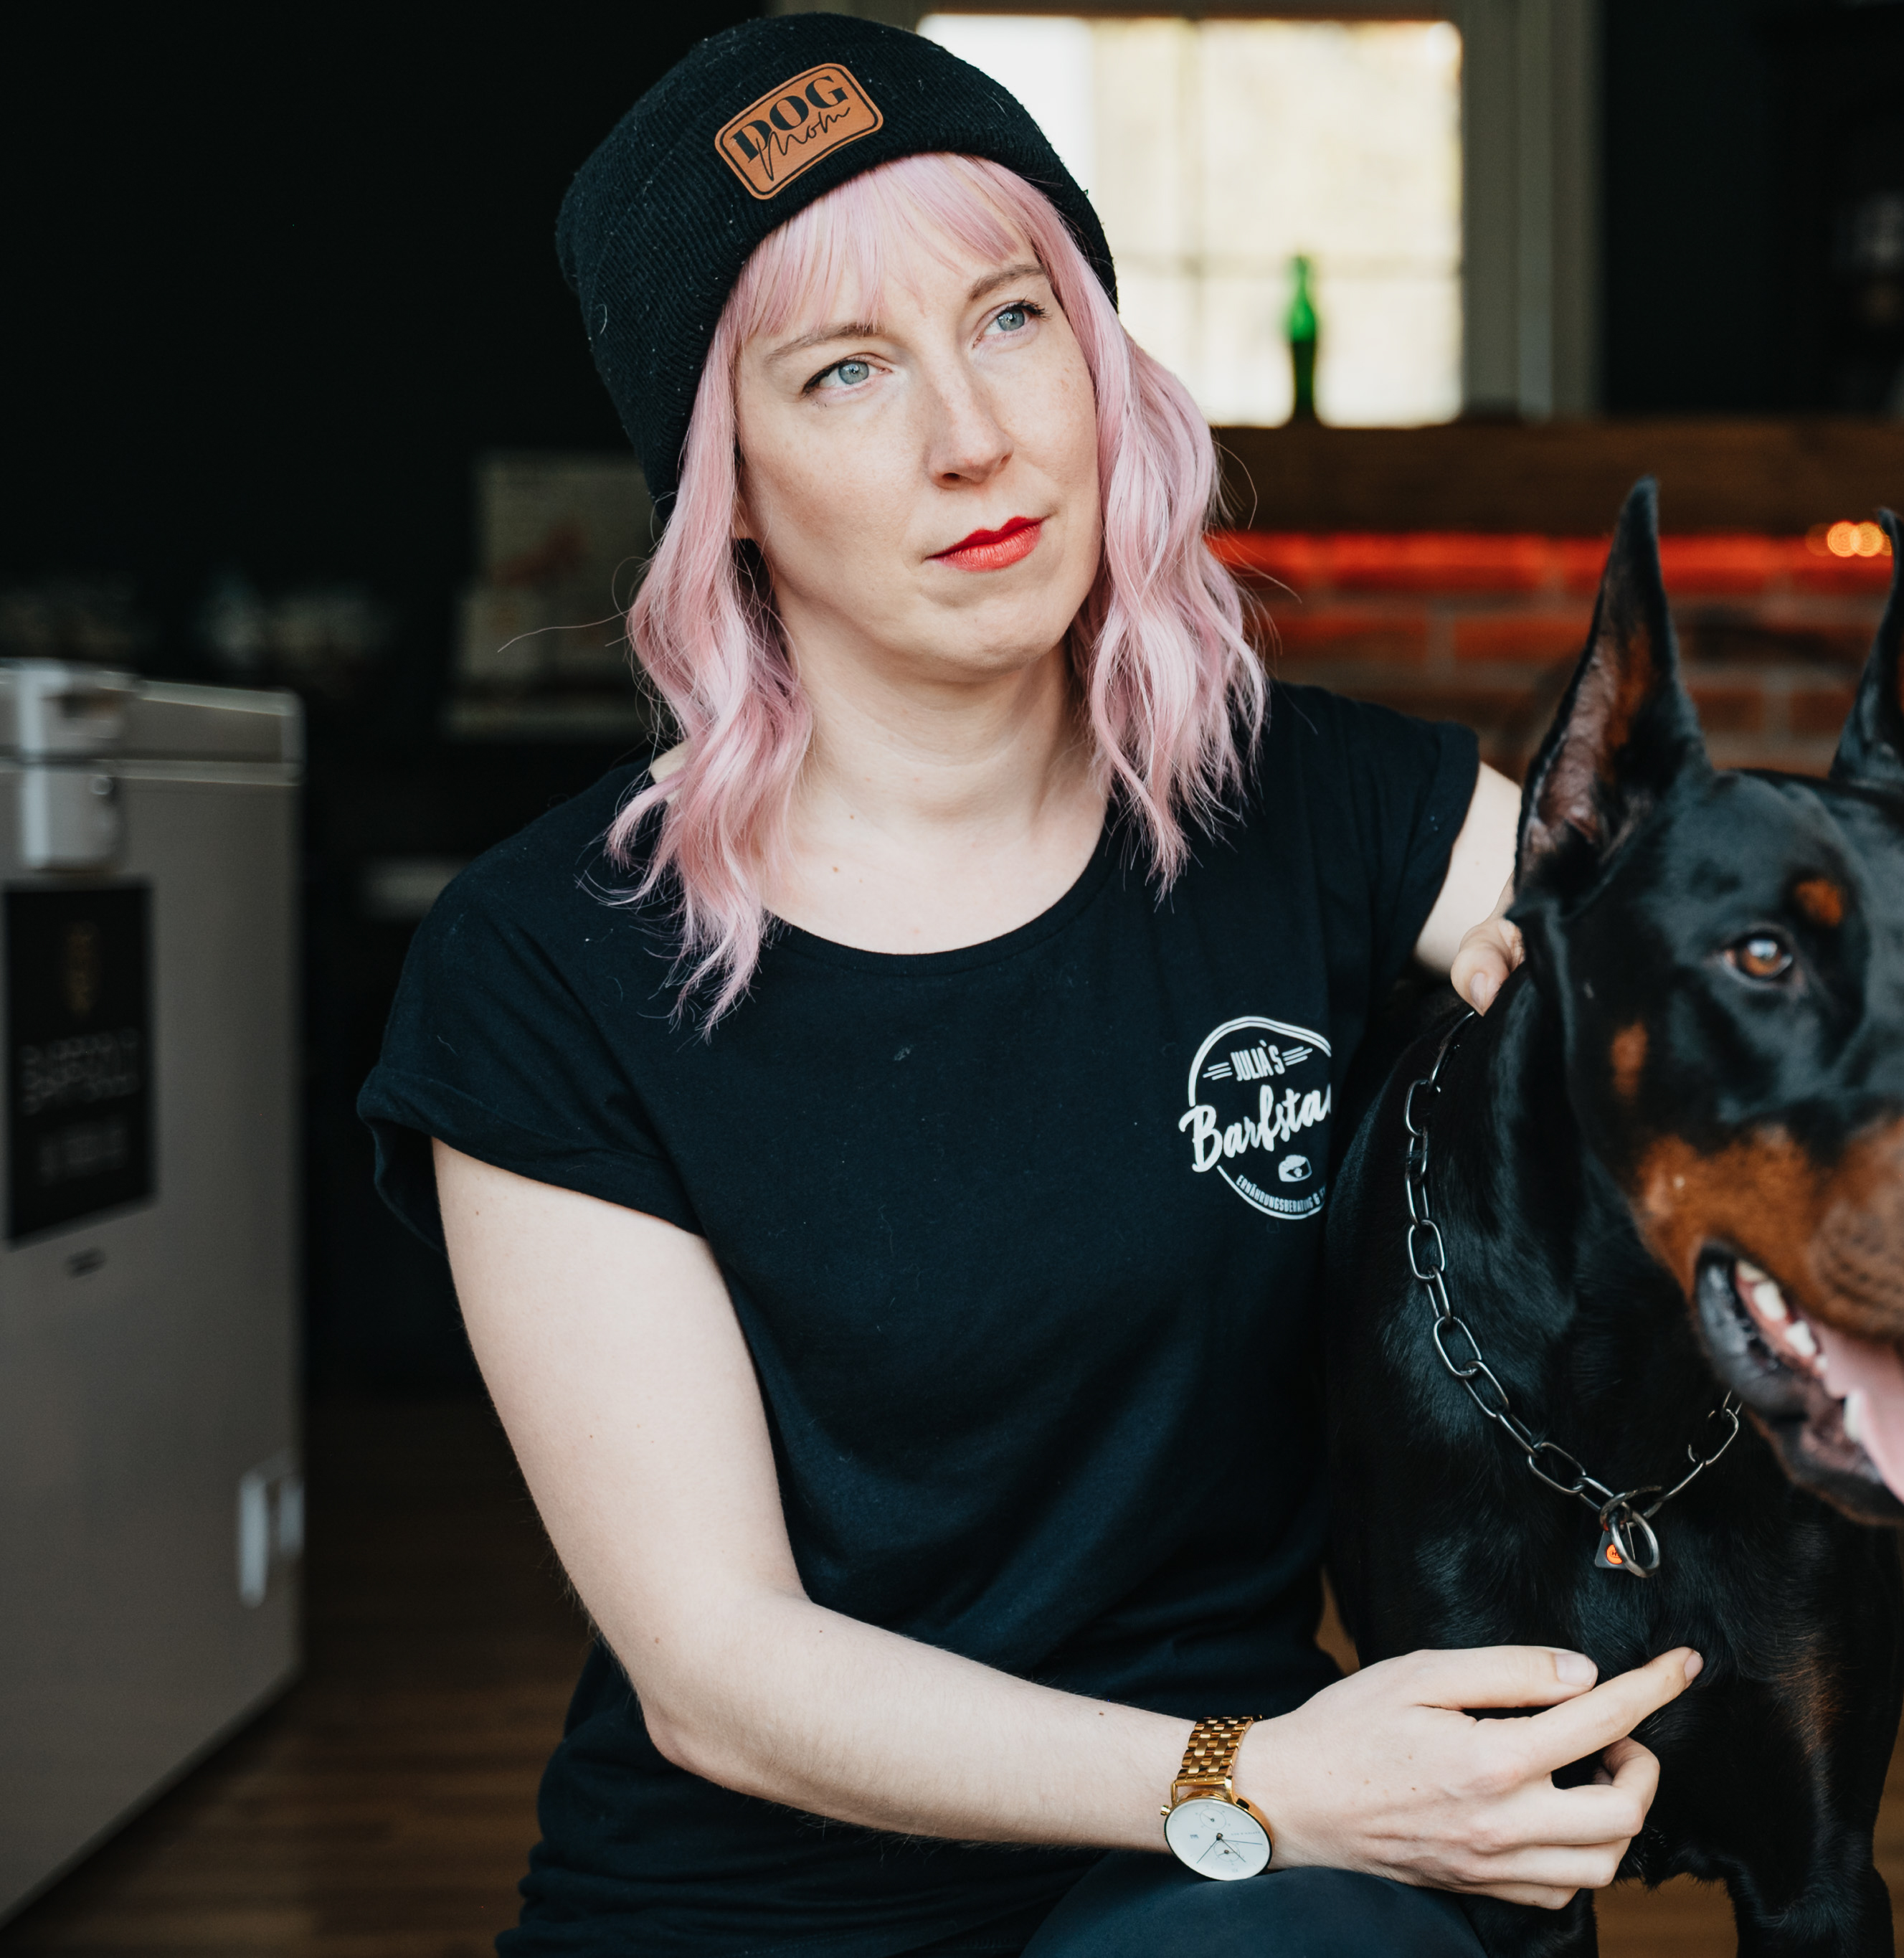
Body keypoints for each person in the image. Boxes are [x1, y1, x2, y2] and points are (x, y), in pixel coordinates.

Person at [356, 17, 1696, 1956]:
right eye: (844, 372)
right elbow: (717, 1670)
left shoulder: (1308, 801)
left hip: (1208, 1896)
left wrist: (1579, 1011)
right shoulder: (544, 958)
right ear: (721, 484)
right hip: (754, 1895)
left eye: (1009, 319)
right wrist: (1257, 1777)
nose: (969, 436)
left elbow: (1654, 987)